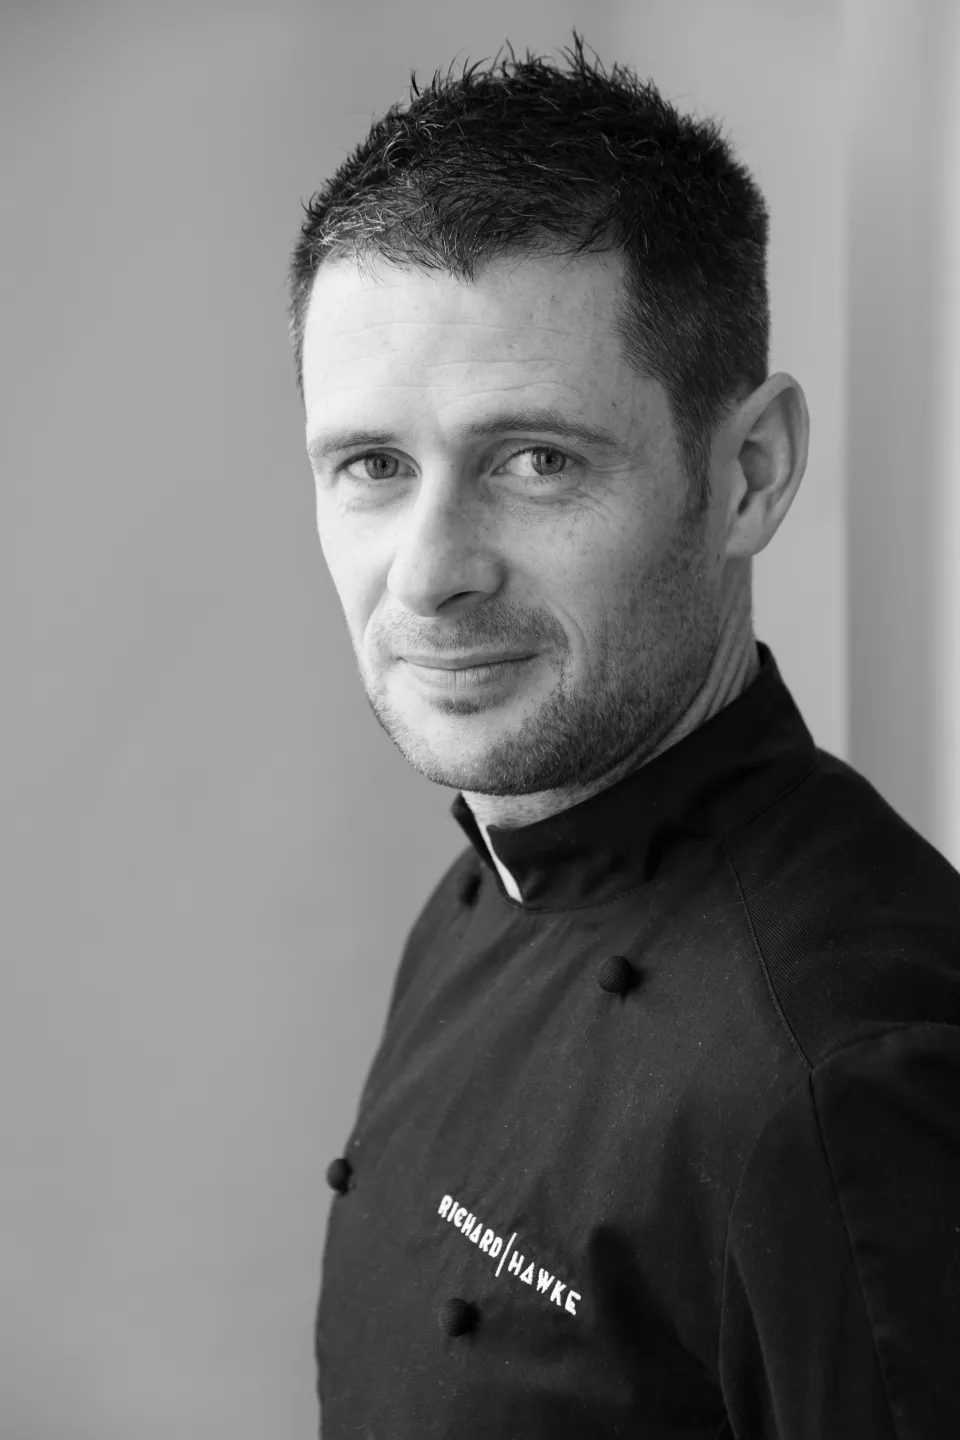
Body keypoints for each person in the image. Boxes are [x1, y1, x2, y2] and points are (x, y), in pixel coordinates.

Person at [286, 32, 960, 1439]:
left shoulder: (842, 1074)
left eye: (537, 460)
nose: (430, 573)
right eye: (374, 466)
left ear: (749, 473)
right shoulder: (493, 860)